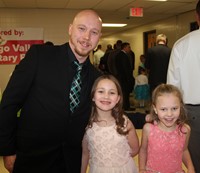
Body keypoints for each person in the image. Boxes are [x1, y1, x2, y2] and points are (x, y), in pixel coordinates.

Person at [0, 9, 103, 173]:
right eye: (81, 28)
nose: (86, 37)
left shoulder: (98, 78)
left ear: (99, 37)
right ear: (70, 29)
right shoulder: (39, 56)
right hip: (31, 159)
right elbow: (9, 103)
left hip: (70, 163)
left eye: (94, 32)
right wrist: (7, 149)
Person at [81, 74, 139, 173]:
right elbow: (85, 153)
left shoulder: (125, 123)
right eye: (101, 91)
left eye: (112, 93)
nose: (106, 96)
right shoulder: (86, 125)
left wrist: (119, 162)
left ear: (118, 99)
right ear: (93, 96)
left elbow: (135, 149)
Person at [167, 1, 200, 172]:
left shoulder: (182, 44)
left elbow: (173, 88)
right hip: (191, 113)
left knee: (194, 162)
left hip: (192, 114)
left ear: (197, 16)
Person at [139, 84, 195, 173]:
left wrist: (190, 167)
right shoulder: (148, 129)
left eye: (174, 108)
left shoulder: (185, 130)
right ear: (155, 109)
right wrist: (142, 169)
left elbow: (184, 150)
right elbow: (143, 149)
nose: (169, 114)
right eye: (163, 109)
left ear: (180, 107)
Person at [115, 42, 135, 111]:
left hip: (121, 77)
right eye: (129, 47)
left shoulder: (119, 55)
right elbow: (125, 68)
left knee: (124, 92)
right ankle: (126, 106)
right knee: (125, 93)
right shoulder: (123, 56)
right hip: (124, 78)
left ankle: (125, 106)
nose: (130, 49)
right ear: (125, 47)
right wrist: (129, 78)